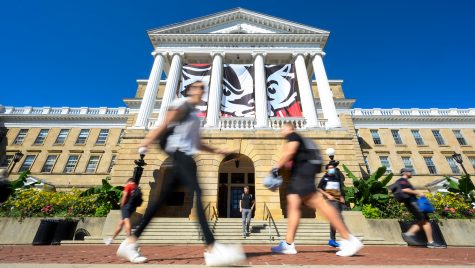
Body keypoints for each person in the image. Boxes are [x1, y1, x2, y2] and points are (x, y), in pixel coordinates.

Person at [116, 81, 246, 266]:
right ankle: (211, 248)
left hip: (185, 154)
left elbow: (197, 143)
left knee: (161, 200)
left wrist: (217, 151)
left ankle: (130, 242)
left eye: (203, 88)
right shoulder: (181, 104)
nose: (202, 91)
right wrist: (145, 140)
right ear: (191, 90)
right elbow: (164, 124)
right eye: (198, 87)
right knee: (199, 193)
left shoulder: (194, 114)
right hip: (178, 153)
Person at [270, 122, 363, 257]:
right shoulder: (297, 138)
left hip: (302, 174)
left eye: (283, 128)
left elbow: (290, 152)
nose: (281, 131)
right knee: (293, 204)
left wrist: (275, 168)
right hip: (301, 174)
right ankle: (288, 244)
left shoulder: (293, 136)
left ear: (290, 128)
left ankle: (349, 239)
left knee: (318, 204)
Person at [396, 168, 446, 248]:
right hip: (412, 202)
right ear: (405, 173)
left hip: (413, 202)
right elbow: (404, 189)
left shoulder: (405, 181)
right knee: (425, 221)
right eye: (410, 171)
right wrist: (418, 192)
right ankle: (430, 242)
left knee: (423, 220)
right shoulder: (402, 180)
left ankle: (409, 234)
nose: (411, 173)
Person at [317, 163, 346, 248]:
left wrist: (341, 197)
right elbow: (319, 188)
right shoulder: (325, 178)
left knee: (335, 220)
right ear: (326, 169)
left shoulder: (337, 178)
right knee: (337, 218)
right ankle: (341, 239)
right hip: (330, 200)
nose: (332, 169)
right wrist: (327, 195)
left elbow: (339, 189)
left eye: (332, 168)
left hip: (337, 201)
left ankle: (332, 240)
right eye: (330, 168)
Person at [104, 178, 138, 245]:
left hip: (127, 206)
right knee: (121, 223)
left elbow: (125, 196)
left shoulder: (128, 185)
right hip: (132, 207)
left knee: (126, 221)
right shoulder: (136, 187)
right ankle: (111, 239)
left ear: (129, 182)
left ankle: (129, 239)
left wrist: (122, 204)